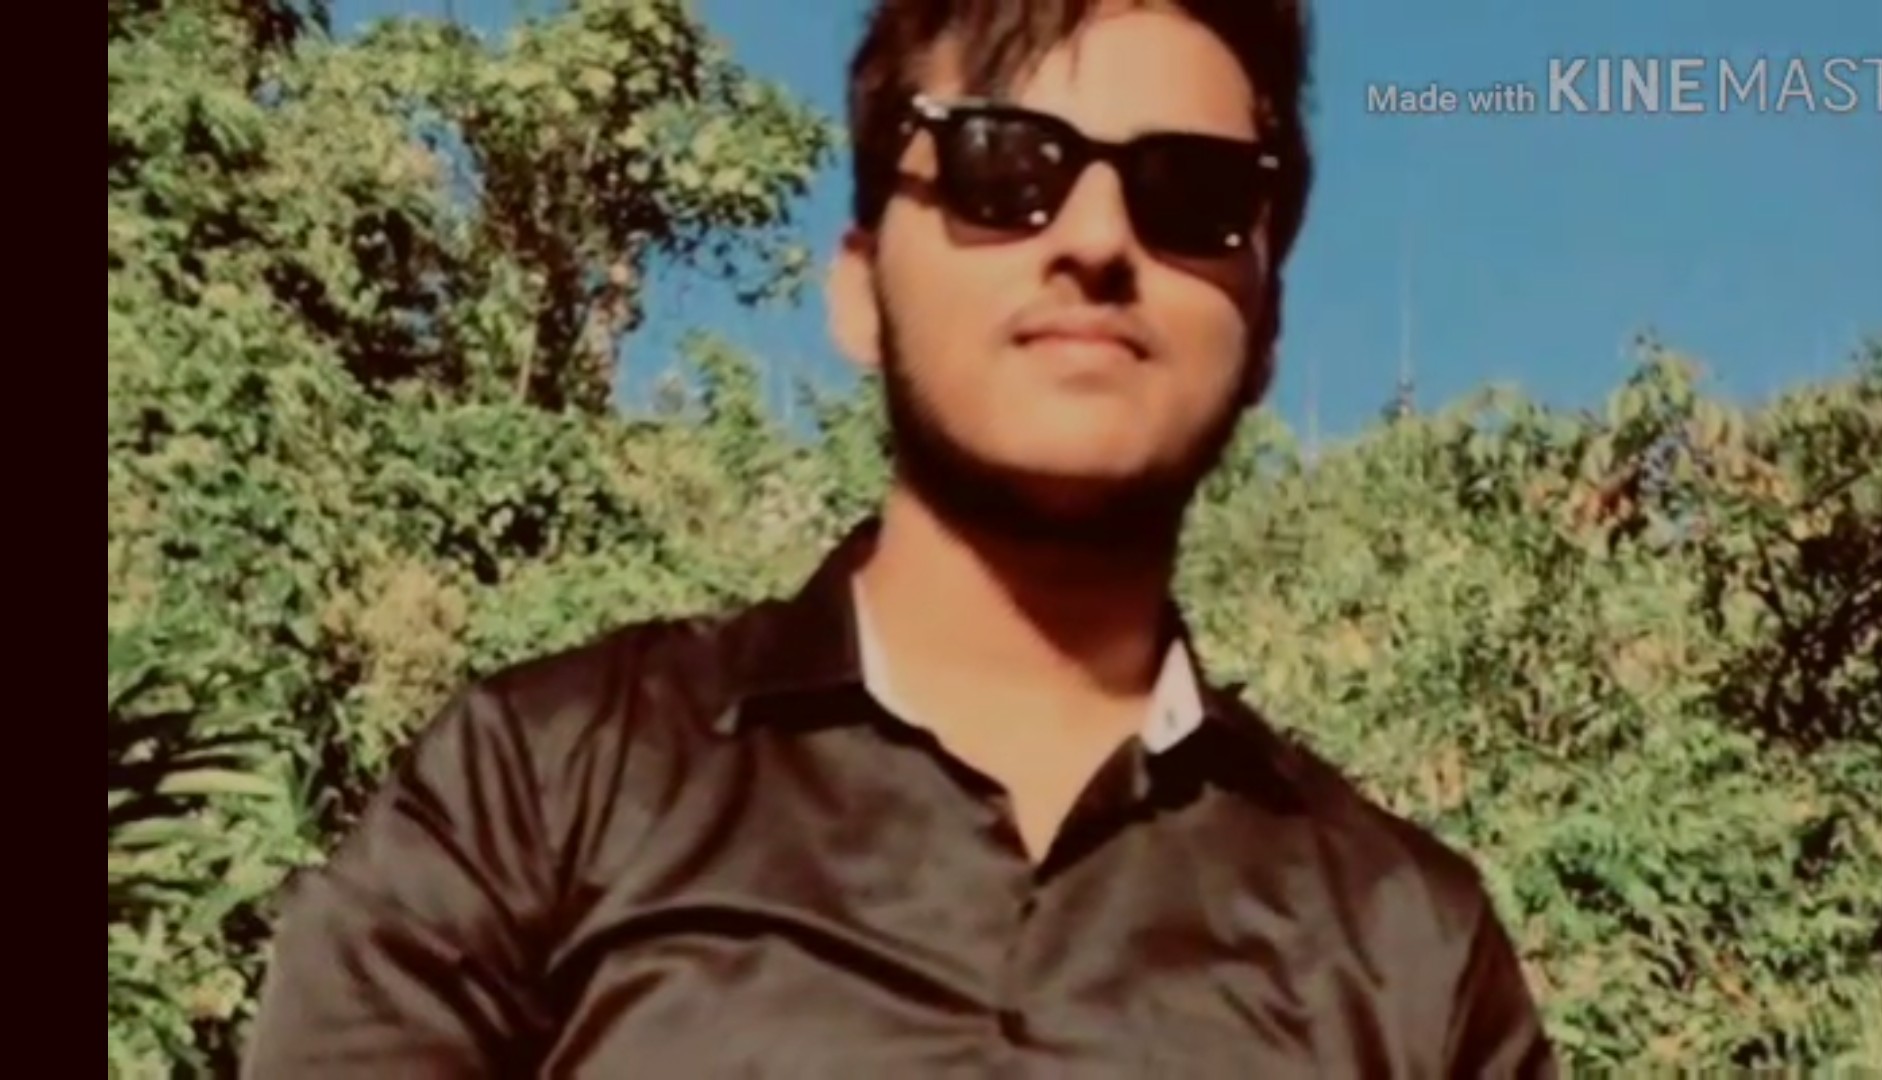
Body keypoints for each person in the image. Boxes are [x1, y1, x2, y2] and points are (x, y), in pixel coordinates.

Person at [243, 0, 1558, 1075]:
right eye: (1003, 165)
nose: (1098, 238)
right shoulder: (543, 788)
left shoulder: (1408, 948)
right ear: (861, 288)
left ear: (1264, 332)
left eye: (1191, 191)